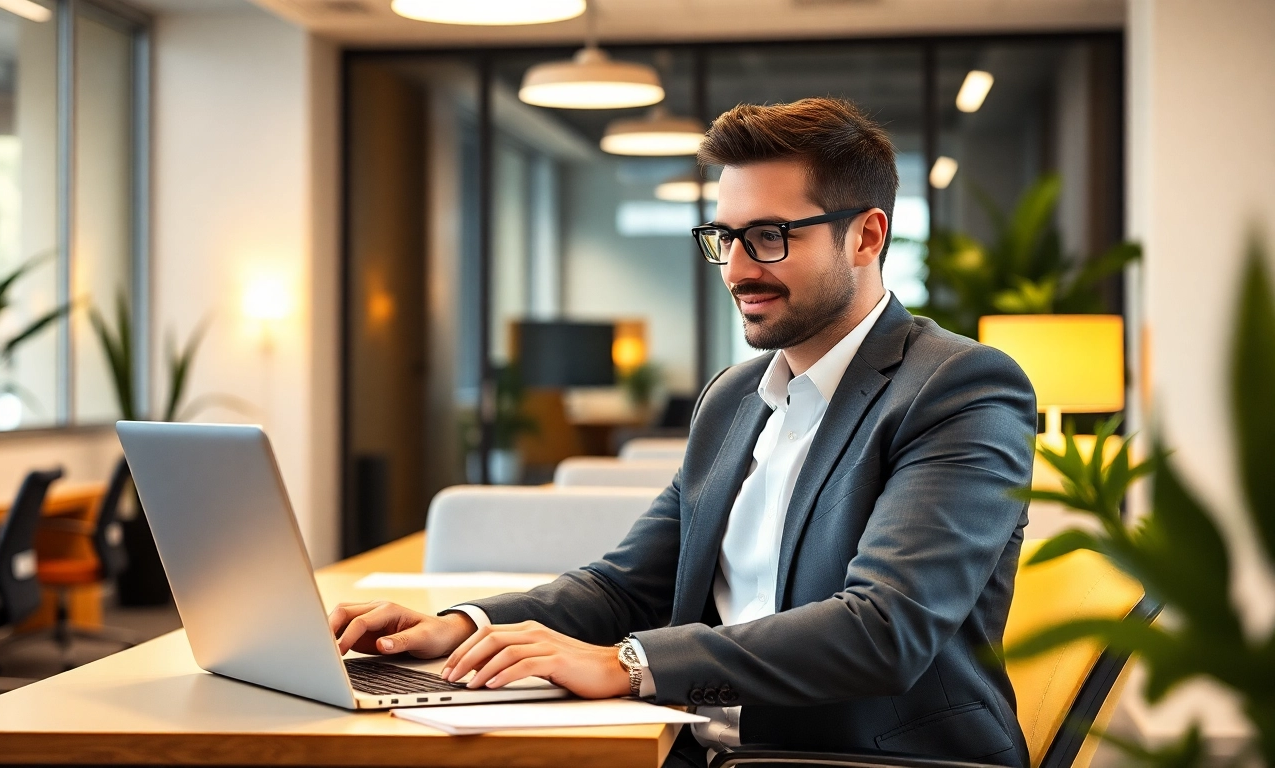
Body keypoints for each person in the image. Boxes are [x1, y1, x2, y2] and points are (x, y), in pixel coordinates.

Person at [329, 97, 1036, 768]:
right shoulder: (733, 399)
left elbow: (884, 630)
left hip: (860, 759)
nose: (735, 268)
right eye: (724, 238)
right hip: (702, 750)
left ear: (866, 236)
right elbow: (625, 587)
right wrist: (461, 626)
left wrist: (630, 663)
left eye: (769, 237)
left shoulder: (960, 389)